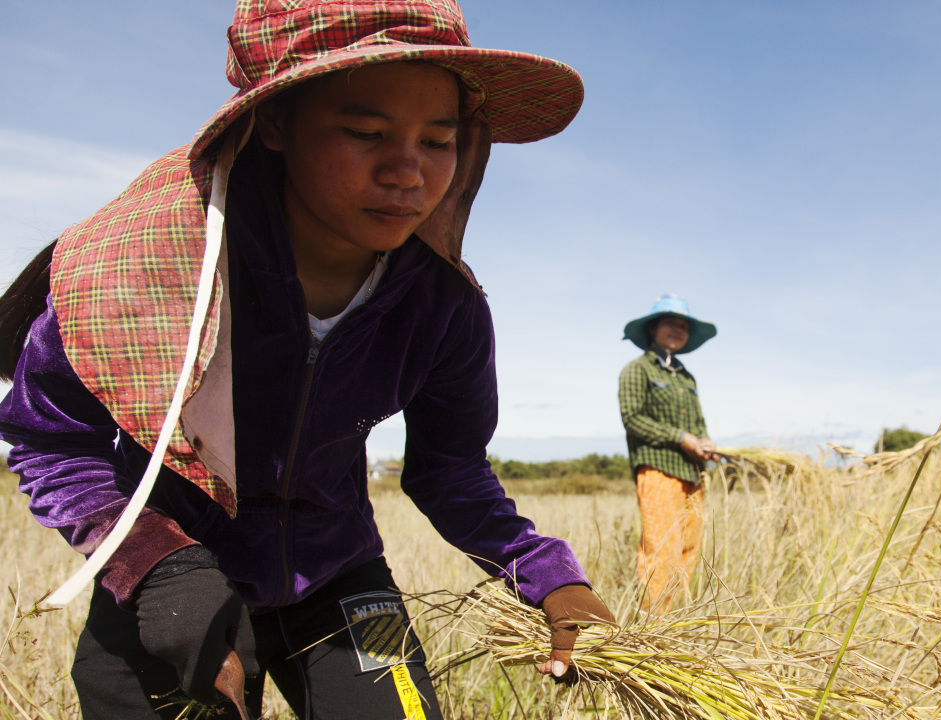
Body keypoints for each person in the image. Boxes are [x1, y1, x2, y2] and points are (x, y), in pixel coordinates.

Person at [0, 1, 613, 717]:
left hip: (342, 575)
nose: (408, 172)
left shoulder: (442, 309)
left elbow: (452, 471)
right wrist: (157, 567)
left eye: (438, 141)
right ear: (276, 124)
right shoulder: (149, 268)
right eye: (364, 132)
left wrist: (550, 579)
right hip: (173, 586)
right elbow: (51, 440)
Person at [617, 294, 719, 614]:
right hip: (659, 470)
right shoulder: (637, 370)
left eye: (684, 325)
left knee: (688, 548)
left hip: (693, 474)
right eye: (670, 323)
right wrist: (680, 438)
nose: (678, 329)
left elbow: (699, 425)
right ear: (653, 329)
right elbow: (633, 420)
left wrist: (705, 443)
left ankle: (671, 619)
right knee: (662, 549)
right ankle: (652, 625)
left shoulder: (686, 378)